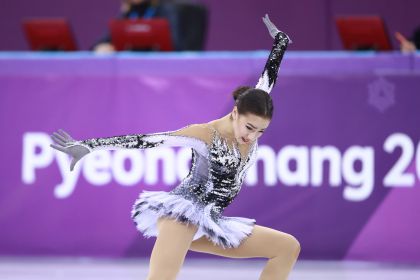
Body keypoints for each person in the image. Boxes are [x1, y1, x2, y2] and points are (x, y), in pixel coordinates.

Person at [51, 14, 299, 280]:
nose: (252, 136)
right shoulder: (203, 134)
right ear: (236, 112)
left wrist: (281, 42)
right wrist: (90, 147)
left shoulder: (256, 107)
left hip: (212, 220)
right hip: (182, 214)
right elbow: (146, 140)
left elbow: (268, 76)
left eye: (261, 132)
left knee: (287, 247)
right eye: (250, 128)